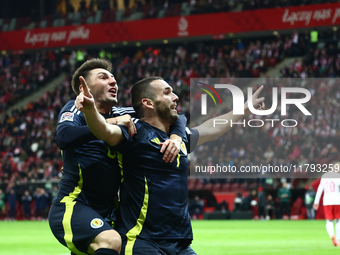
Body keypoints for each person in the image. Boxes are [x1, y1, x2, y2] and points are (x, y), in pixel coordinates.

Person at [75, 75, 265, 254]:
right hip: (142, 240)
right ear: (148, 103)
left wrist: (245, 109)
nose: (175, 97)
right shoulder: (133, 132)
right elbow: (105, 131)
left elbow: (211, 127)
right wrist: (91, 111)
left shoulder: (180, 138)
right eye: (167, 92)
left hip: (180, 242)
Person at [48, 59, 186, 255]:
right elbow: (64, 137)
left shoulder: (124, 113)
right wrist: (111, 121)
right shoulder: (75, 109)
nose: (113, 82)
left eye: (113, 78)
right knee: (111, 241)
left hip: (110, 212)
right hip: (74, 204)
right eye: (103, 77)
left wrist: (176, 137)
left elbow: (173, 114)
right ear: (83, 88)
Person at [313, 164, 340, 247]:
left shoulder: (325, 176)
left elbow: (320, 189)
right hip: (337, 200)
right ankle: (338, 239)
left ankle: (332, 235)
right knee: (338, 220)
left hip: (327, 201)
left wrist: (316, 201)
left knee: (329, 220)